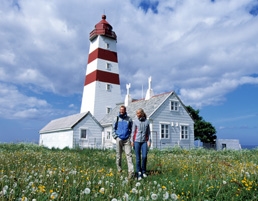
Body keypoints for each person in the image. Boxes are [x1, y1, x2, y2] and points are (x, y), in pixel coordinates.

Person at [112, 105, 134, 180]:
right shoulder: (116, 119)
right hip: (119, 139)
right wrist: (115, 137)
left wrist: (130, 137)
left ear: (125, 111)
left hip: (127, 140)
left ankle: (131, 172)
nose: (121, 112)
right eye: (120, 111)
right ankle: (119, 170)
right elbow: (113, 128)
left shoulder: (129, 119)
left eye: (122, 111)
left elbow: (131, 129)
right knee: (118, 156)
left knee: (129, 155)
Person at [131, 108, 151, 180]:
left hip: (144, 141)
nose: (137, 115)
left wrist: (149, 141)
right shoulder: (135, 122)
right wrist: (132, 141)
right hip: (136, 141)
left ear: (142, 113)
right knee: (138, 158)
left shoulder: (147, 121)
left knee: (144, 156)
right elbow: (133, 132)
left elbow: (148, 132)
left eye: (138, 113)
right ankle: (139, 172)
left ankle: (144, 171)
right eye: (137, 113)